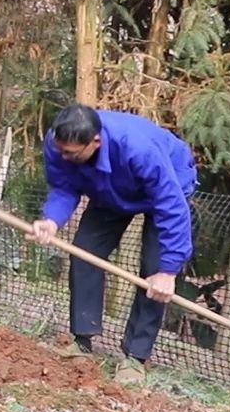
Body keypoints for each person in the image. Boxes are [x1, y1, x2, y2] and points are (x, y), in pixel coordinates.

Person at [28, 103, 198, 384]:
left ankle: (135, 358)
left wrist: (168, 271)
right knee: (84, 252)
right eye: (61, 151)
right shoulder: (59, 143)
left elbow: (172, 206)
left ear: (95, 142)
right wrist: (52, 220)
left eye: (71, 154)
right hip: (110, 189)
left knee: (153, 274)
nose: (63, 157)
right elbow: (64, 185)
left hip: (167, 186)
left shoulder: (139, 149)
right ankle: (82, 343)